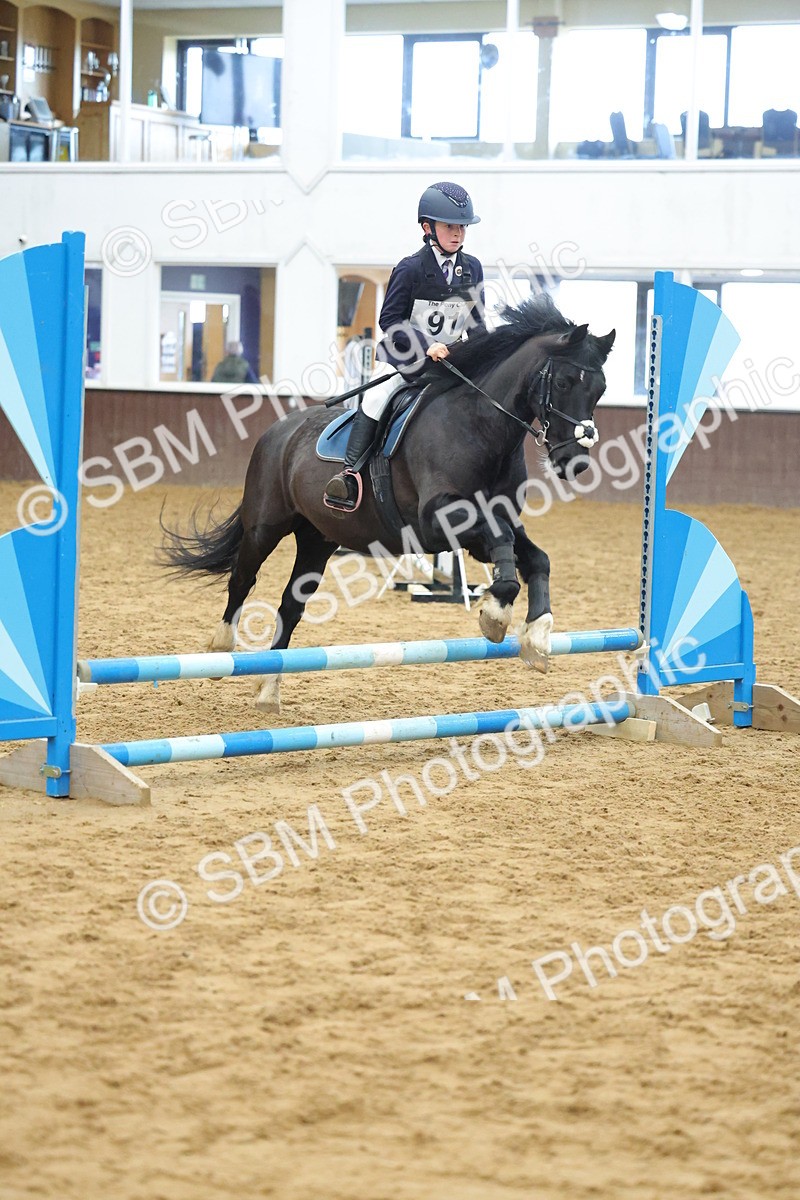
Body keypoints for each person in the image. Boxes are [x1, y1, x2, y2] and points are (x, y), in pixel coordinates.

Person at [324, 181, 485, 511]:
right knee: (376, 397)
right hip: (405, 358)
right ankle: (350, 473)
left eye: (462, 227)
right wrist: (426, 345)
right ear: (428, 228)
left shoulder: (472, 269)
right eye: (450, 226)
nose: (458, 234)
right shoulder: (411, 269)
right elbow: (391, 321)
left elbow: (477, 324)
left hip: (451, 364)